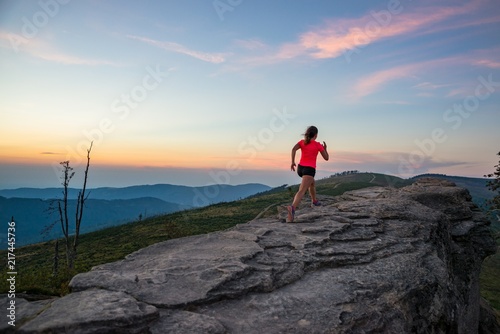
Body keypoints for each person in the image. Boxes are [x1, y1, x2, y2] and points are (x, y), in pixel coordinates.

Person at [287, 126, 329, 223]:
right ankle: (292, 208)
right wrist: (325, 149)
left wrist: (292, 162)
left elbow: (293, 149)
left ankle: (314, 201)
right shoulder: (318, 145)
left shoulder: (302, 142)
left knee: (312, 183)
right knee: (302, 190)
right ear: (316, 135)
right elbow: (326, 158)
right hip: (309, 170)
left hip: (300, 168)